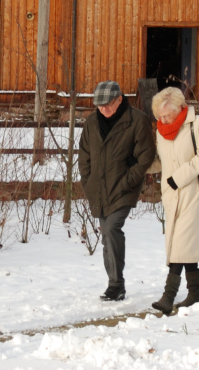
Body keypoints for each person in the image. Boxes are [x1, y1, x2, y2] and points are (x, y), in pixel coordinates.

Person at [77, 80, 155, 302]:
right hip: (98, 189)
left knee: (112, 229)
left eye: (108, 104)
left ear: (119, 99)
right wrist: (88, 181)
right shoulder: (92, 122)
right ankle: (114, 283)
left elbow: (146, 156)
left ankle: (116, 284)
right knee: (106, 237)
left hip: (123, 189)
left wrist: (128, 180)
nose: (104, 109)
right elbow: (84, 155)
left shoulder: (137, 120)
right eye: (99, 105)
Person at [150, 85, 199, 315]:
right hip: (171, 195)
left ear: (180, 108)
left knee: (180, 242)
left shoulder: (198, 124)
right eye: (160, 116)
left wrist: (178, 177)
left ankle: (168, 297)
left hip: (193, 192)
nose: (164, 120)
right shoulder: (161, 131)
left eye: (167, 115)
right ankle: (194, 293)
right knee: (183, 244)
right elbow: (163, 161)